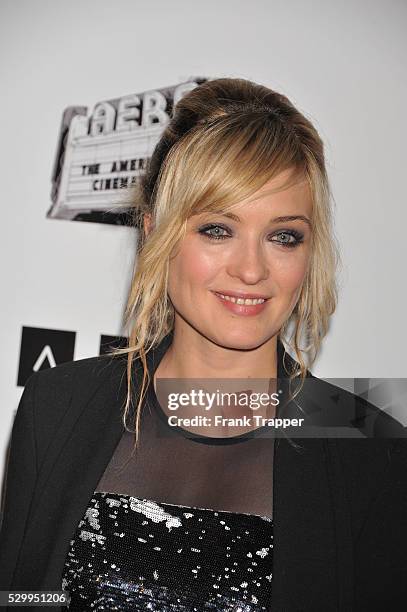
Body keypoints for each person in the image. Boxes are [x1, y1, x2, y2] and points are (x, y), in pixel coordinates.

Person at [0, 77, 406, 612]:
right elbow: (23, 596)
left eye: (284, 236)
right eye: (217, 229)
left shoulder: (373, 449)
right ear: (154, 233)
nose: (252, 269)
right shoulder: (57, 406)